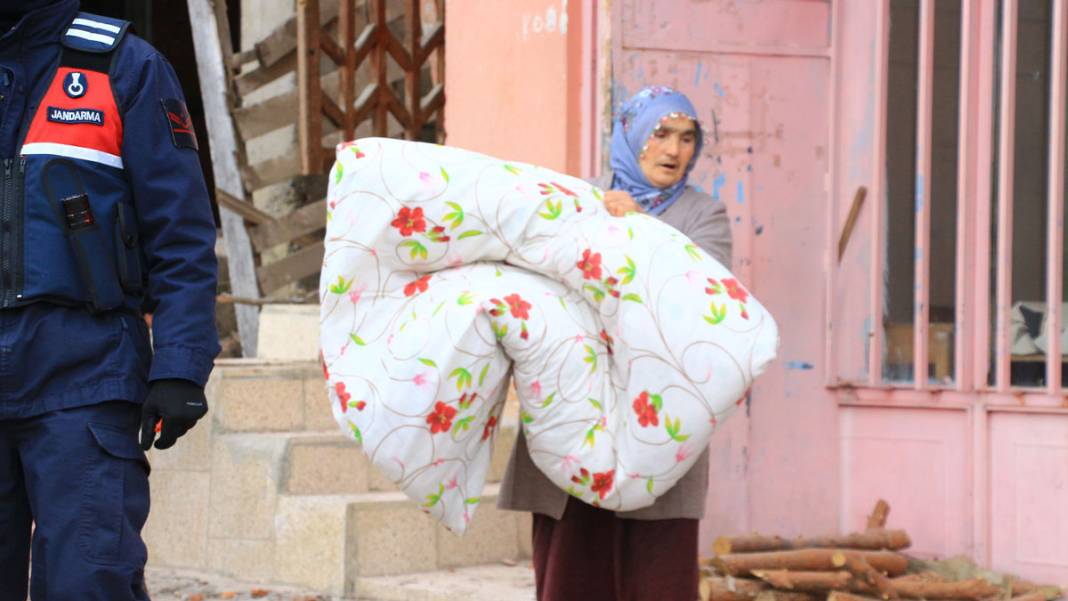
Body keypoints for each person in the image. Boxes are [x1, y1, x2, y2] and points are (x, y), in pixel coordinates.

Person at [0, 2, 220, 599]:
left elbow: (182, 235)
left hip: (85, 378)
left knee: (89, 581)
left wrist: (180, 364)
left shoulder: (124, 68)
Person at [498, 85, 732, 601]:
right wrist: (593, 223)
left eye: (687, 138)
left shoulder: (702, 217)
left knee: (657, 579)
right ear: (630, 136)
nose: (674, 151)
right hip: (573, 413)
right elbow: (532, 284)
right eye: (661, 134)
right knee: (572, 575)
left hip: (657, 421)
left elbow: (707, 299)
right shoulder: (580, 201)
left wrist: (637, 231)